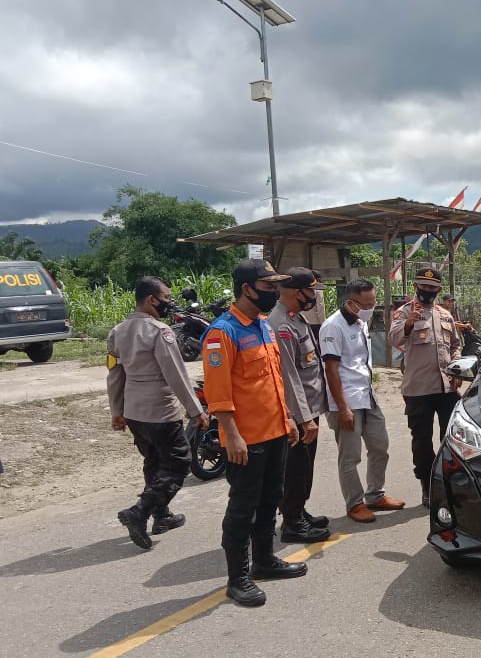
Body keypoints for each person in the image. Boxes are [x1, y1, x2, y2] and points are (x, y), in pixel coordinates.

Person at [203, 258, 307, 607]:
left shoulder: (263, 325)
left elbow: (273, 381)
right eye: (267, 286)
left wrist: (288, 418)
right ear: (246, 289)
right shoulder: (222, 333)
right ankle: (238, 578)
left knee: (270, 499)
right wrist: (231, 435)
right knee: (242, 508)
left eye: (276, 286)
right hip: (245, 440)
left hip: (275, 431)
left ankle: (264, 560)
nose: (274, 292)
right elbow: (218, 394)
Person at [107, 277, 206, 550]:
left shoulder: (117, 332)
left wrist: (117, 410)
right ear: (152, 299)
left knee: (153, 462)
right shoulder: (160, 332)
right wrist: (196, 410)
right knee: (178, 462)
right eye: (166, 297)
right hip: (160, 410)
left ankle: (161, 515)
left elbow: (114, 374)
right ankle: (139, 512)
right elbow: (176, 374)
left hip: (134, 412)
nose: (169, 302)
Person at [319, 278, 406, 522]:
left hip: (367, 395)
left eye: (373, 302)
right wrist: (342, 408)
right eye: (366, 304)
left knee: (380, 446)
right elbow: (331, 370)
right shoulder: (332, 326)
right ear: (350, 302)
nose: (370, 308)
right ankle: (355, 503)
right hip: (346, 400)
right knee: (350, 456)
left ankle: (375, 495)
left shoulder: (360, 322)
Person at [388, 266, 462, 507]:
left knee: (451, 439)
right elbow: (394, 339)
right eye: (424, 286)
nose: (428, 290)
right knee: (421, 440)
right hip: (418, 390)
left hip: (446, 388)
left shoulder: (445, 314)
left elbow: (455, 345)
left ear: (439, 290)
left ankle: (449, 482)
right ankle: (427, 484)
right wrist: (409, 324)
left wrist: (457, 368)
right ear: (415, 286)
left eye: (433, 287)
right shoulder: (403, 312)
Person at [268, 267, 332, 543]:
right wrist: (304, 418)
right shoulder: (281, 325)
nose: (314, 297)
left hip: (308, 408)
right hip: (297, 413)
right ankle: (292, 524)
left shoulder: (295, 318)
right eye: (311, 292)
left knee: (304, 467)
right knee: (295, 469)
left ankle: (298, 511)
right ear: (296, 293)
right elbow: (289, 376)